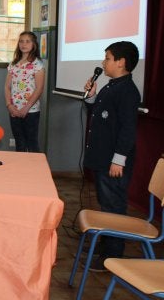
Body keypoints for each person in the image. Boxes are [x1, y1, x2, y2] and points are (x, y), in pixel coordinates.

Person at [82, 41, 141, 271]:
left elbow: (128, 129)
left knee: (114, 207)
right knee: (105, 204)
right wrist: (90, 97)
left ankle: (112, 255)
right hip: (102, 157)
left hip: (112, 162)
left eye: (107, 58)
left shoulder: (127, 90)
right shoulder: (110, 86)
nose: (103, 62)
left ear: (121, 62)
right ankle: (105, 244)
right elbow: (98, 114)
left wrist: (119, 160)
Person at [4, 31, 45, 152]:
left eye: (27, 41)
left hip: (30, 111)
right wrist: (9, 106)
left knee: (32, 144)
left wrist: (26, 108)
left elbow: (39, 89)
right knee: (19, 143)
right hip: (14, 111)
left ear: (34, 44)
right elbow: (7, 87)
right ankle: (20, 170)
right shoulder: (13, 64)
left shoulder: (37, 64)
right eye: (21, 41)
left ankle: (35, 170)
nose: (24, 44)